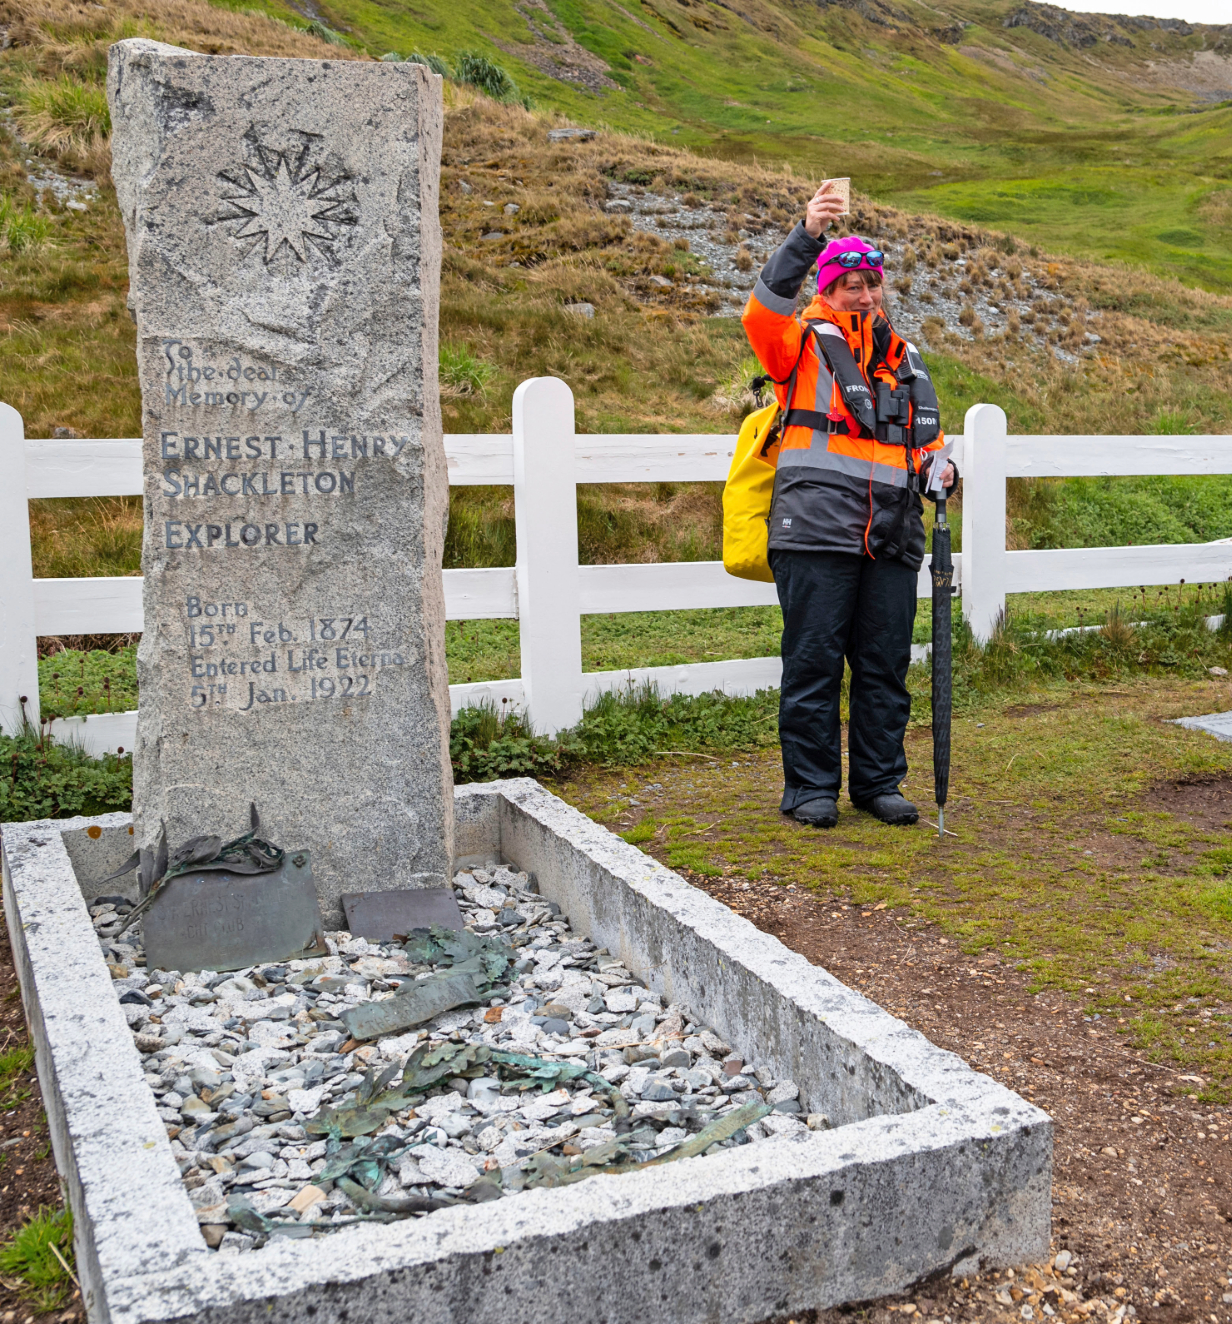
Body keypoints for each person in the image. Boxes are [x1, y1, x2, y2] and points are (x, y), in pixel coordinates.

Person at [742, 184, 957, 829]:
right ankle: (809, 789)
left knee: (885, 667)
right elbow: (761, 311)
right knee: (812, 665)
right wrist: (807, 235)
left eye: (872, 284)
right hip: (813, 533)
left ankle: (877, 783)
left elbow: (928, 446)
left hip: (891, 536)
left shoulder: (906, 360)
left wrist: (943, 472)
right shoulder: (797, 347)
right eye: (849, 286)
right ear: (826, 292)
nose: (863, 295)